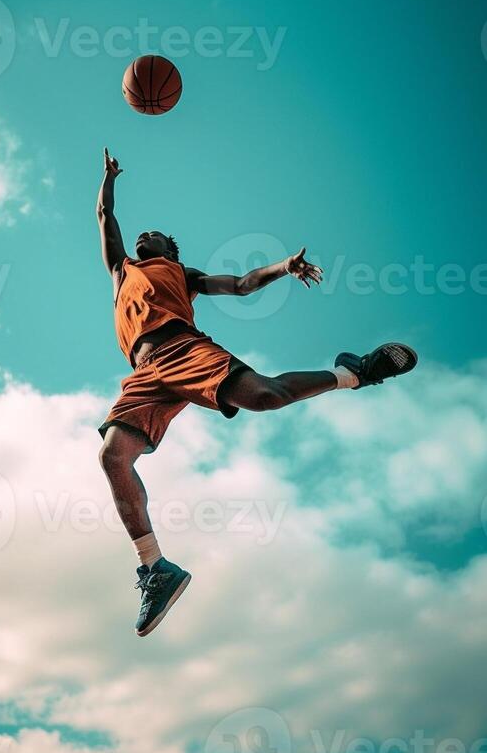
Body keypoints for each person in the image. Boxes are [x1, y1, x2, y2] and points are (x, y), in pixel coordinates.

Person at [96, 148, 417, 637]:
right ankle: (154, 569)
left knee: (265, 396)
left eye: (155, 234)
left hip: (183, 350)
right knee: (113, 457)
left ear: (171, 250)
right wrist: (109, 179)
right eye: (141, 235)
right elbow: (105, 215)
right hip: (143, 375)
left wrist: (284, 266)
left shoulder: (183, 275)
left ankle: (355, 373)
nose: (143, 235)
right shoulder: (121, 272)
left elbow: (244, 284)